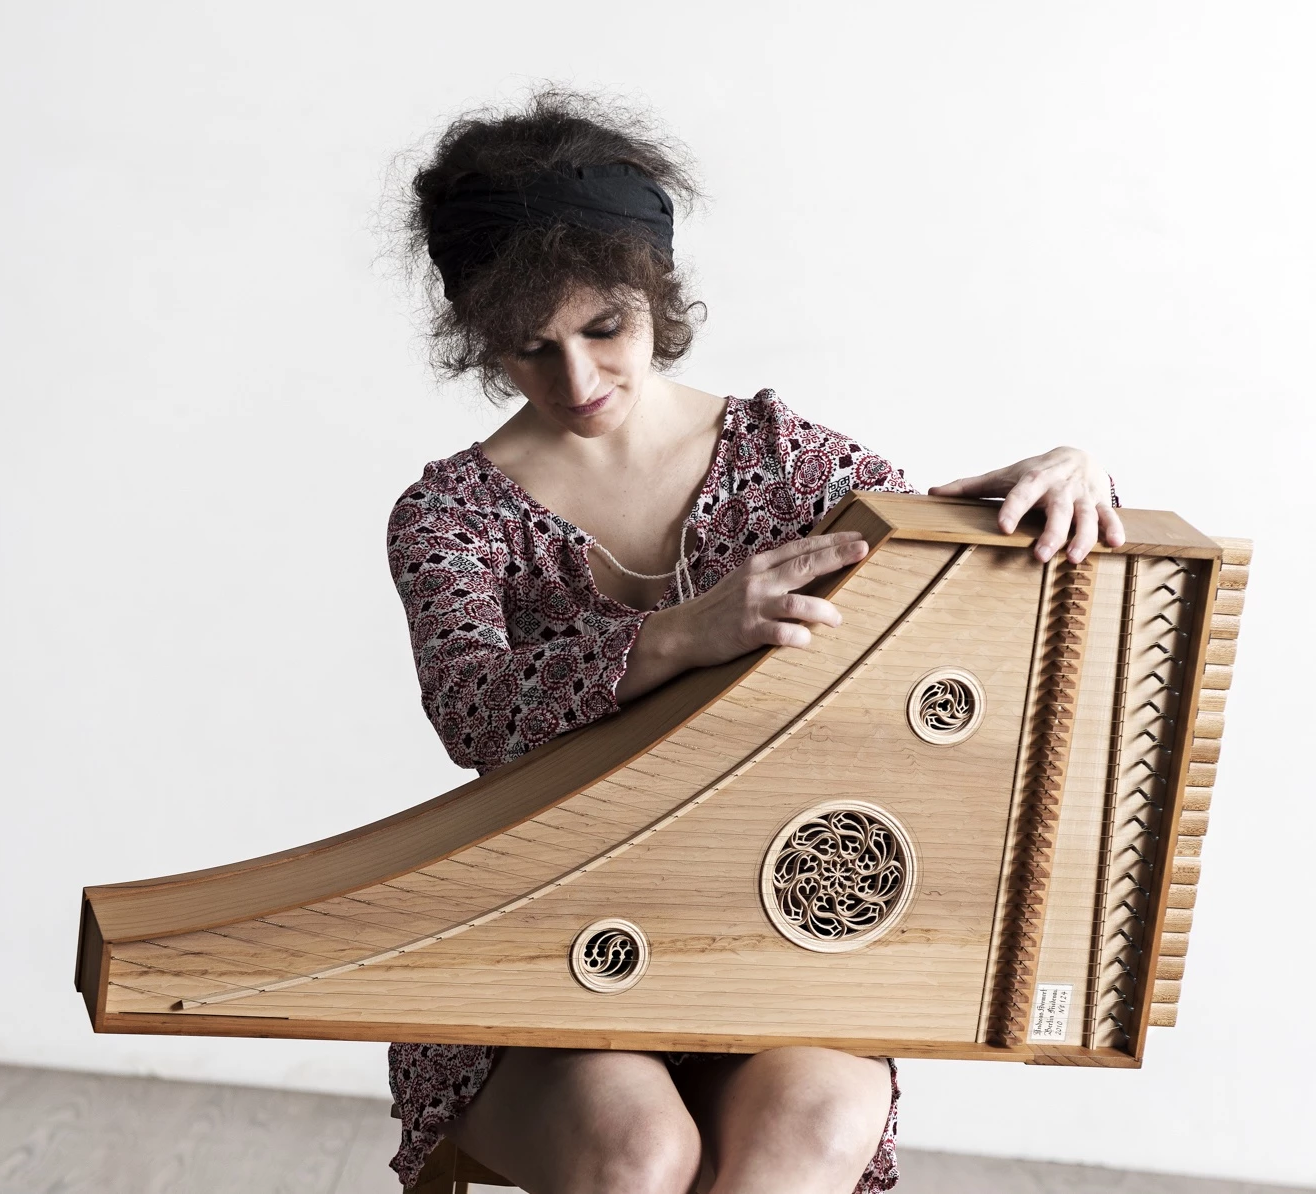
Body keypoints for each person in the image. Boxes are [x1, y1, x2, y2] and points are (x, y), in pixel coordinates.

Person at [384, 89, 1123, 1194]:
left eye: (604, 330)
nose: (577, 382)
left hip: (781, 936)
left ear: (656, 299)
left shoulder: (785, 459)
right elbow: (472, 708)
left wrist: (1074, 472)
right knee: (641, 1157)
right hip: (546, 942)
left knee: (809, 1135)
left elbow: (946, 603)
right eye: (532, 350)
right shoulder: (450, 513)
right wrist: (679, 634)